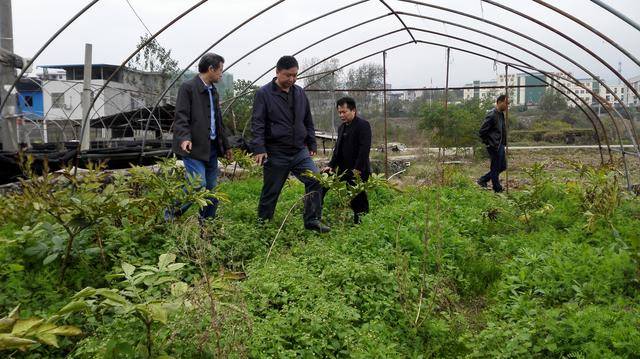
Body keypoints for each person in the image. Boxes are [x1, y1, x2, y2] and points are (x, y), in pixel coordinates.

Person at [250, 55, 330, 233]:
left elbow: (307, 119)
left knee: (315, 180)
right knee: (271, 191)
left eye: (295, 75)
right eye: (288, 75)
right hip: (276, 151)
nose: (292, 79)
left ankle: (312, 221)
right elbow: (258, 123)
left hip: (299, 151)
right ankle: (263, 225)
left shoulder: (299, 92)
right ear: (277, 72)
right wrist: (259, 148)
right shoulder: (264, 94)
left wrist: (312, 143)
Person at [169, 53, 232, 220]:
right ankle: (169, 216)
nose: (221, 74)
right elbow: (181, 116)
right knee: (197, 185)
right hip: (193, 147)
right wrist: (184, 138)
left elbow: (218, 121)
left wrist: (225, 146)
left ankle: (207, 224)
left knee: (211, 189)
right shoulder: (188, 87)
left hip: (210, 148)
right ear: (210, 69)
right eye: (220, 70)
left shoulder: (213, 91)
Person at [321, 97, 372, 224]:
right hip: (341, 169)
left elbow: (364, 150)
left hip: (357, 170)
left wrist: (357, 169)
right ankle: (315, 216)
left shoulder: (363, 126)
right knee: (321, 183)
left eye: (344, 112)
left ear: (353, 110)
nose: (341, 115)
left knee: (357, 198)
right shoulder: (342, 127)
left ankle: (360, 224)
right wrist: (331, 165)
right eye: (339, 112)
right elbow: (337, 150)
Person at [478, 94, 509, 193]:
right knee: (495, 167)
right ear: (499, 102)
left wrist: (503, 143)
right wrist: (488, 143)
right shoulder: (492, 114)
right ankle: (497, 189)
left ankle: (483, 179)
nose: (507, 105)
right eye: (506, 103)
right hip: (494, 145)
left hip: (500, 145)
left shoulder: (501, 114)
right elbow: (482, 131)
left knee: (503, 166)